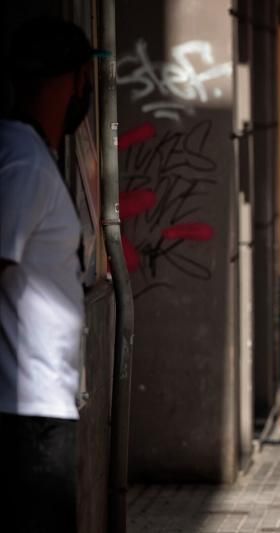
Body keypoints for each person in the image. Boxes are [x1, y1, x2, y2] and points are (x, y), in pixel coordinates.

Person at [0, 16, 95, 533]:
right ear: (72, 79)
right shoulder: (22, 162)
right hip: (25, 411)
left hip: (40, 403)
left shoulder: (31, 154)